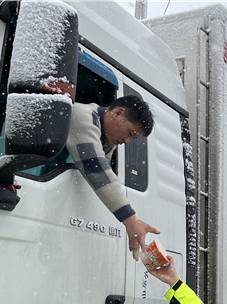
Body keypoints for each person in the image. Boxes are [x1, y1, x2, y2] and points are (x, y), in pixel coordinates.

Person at [65, 95, 159, 258]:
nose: (127, 142)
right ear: (117, 113)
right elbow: (96, 170)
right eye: (130, 133)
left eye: (133, 138)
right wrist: (130, 219)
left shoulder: (107, 139)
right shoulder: (82, 116)